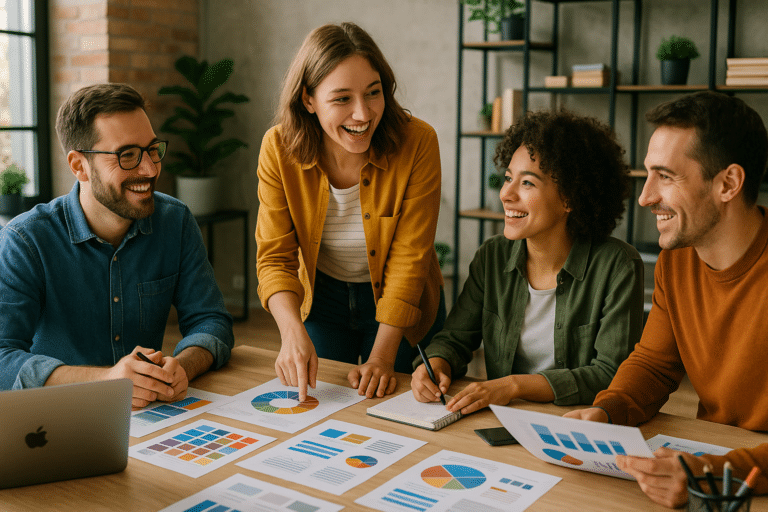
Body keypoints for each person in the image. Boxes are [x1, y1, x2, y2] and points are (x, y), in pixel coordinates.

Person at [565, 91, 768, 507]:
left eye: (666, 176)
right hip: (714, 464)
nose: (645, 197)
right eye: (647, 175)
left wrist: (710, 474)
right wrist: (605, 415)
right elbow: (654, 366)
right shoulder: (675, 263)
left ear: (728, 183)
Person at [0, 83, 234, 409]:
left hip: (151, 415)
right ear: (79, 166)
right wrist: (108, 380)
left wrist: (182, 366)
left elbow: (211, 321)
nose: (150, 169)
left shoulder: (175, 221)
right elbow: (2, 356)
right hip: (58, 418)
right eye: (127, 156)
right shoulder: (25, 241)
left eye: (153, 149)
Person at [256, 22, 445, 401]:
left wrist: (382, 356)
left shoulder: (418, 142)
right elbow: (274, 257)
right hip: (322, 301)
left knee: (403, 412)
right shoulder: (278, 148)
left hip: (403, 306)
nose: (363, 114)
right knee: (324, 408)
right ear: (308, 99)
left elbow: (411, 260)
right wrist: (292, 334)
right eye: (342, 99)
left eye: (373, 93)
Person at [412, 109, 645, 414]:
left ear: (570, 198)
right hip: (503, 420)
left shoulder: (618, 266)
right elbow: (455, 338)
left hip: (578, 422)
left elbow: (609, 374)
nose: (506, 194)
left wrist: (513, 385)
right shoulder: (492, 256)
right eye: (508, 178)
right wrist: (434, 365)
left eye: (527, 183)